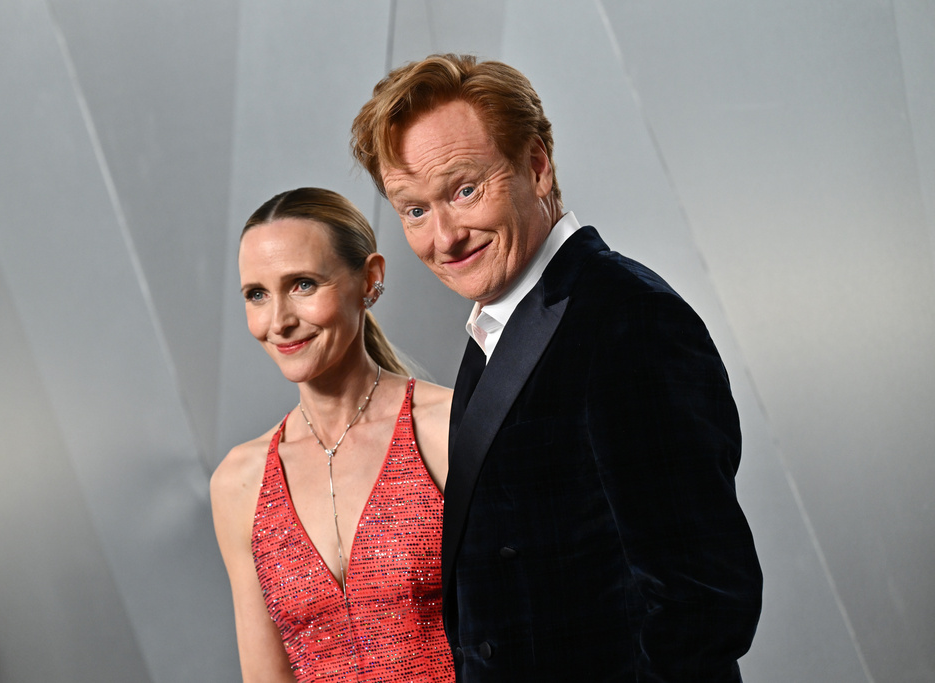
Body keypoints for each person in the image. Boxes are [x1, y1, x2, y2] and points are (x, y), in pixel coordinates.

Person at [351, 54, 763, 681]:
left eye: (465, 191)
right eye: (414, 210)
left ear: (538, 166)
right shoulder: (497, 325)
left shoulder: (629, 320)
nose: (444, 237)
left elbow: (702, 605)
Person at [211, 187, 456, 682]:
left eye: (302, 284)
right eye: (257, 294)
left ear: (370, 279)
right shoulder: (240, 481)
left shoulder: (449, 429)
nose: (278, 321)